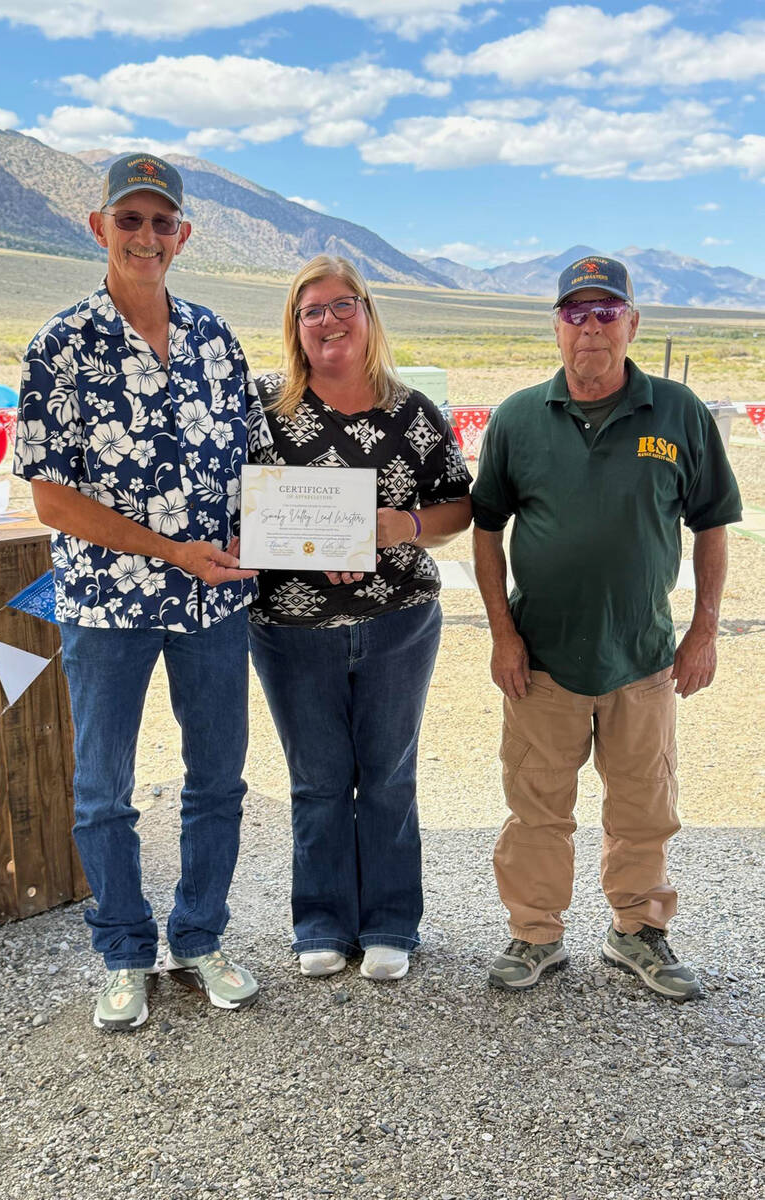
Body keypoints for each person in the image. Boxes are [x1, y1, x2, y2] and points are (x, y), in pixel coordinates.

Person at [13, 153, 271, 1030]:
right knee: (103, 790)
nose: (147, 237)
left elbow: (254, 462)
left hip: (214, 603)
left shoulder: (216, 339)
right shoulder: (59, 346)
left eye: (162, 222)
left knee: (218, 781)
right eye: (130, 219)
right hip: (106, 604)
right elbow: (51, 497)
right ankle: (124, 952)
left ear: (183, 236)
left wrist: (261, 536)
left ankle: (199, 938)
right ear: (100, 227)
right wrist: (171, 551)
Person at [471, 255, 742, 1001]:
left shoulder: (679, 412)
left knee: (644, 809)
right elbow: (487, 529)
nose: (590, 326)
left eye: (605, 311)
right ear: (556, 326)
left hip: (643, 658)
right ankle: (535, 934)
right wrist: (502, 635)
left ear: (632, 323)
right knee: (536, 808)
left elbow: (713, 524)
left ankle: (638, 932)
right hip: (542, 660)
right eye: (574, 312)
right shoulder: (519, 418)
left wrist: (704, 631)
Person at [249, 255, 472, 982]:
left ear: (368, 313)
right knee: (316, 780)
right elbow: (236, 503)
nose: (329, 320)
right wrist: (300, 547)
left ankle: (390, 925)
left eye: (343, 304)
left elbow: (460, 505)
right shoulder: (263, 409)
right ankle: (320, 922)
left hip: (397, 623)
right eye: (311, 310)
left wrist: (403, 526)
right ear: (295, 326)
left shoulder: (413, 412)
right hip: (291, 629)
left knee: (387, 777)